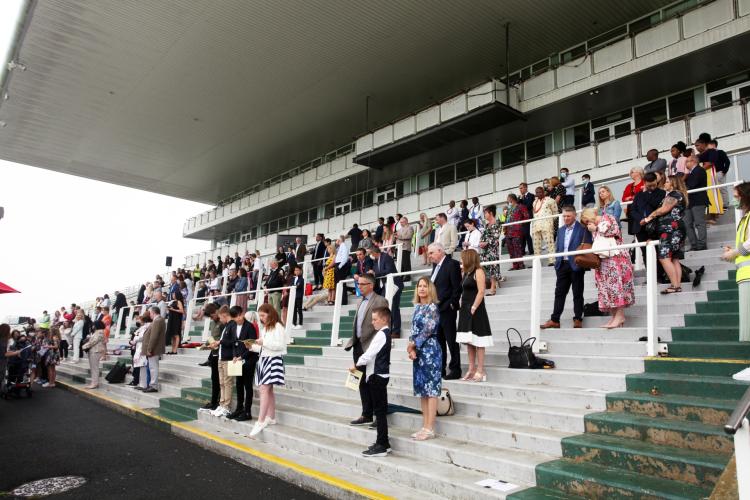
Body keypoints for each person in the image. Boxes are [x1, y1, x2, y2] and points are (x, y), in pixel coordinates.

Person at [344, 274, 388, 427]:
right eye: (358, 283)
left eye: (362, 284)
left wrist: (375, 345)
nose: (359, 286)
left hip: (372, 347)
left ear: (371, 285)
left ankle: (378, 415)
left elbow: (383, 325)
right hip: (358, 345)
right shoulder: (360, 301)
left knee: (373, 382)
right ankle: (366, 413)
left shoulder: (380, 301)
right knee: (361, 381)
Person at [581, 208, 635, 328]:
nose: (587, 224)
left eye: (586, 220)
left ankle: (620, 316)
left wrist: (597, 229)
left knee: (616, 286)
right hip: (603, 260)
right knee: (606, 288)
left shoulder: (608, 217)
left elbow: (615, 231)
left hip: (616, 258)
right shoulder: (593, 227)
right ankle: (614, 316)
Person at [349, 306, 392, 457]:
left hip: (377, 377)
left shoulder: (381, 334)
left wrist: (356, 364)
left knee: (379, 413)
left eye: (375, 319)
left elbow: (369, 354)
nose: (372, 322)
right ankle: (383, 442)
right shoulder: (384, 333)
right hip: (379, 376)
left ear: (384, 319)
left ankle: (382, 444)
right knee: (380, 412)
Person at [540, 206, 592, 329]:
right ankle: (555, 320)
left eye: (568, 216)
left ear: (574, 216)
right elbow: (558, 247)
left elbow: (588, 246)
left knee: (577, 293)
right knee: (559, 293)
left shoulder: (583, 229)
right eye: (564, 216)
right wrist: (557, 263)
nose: (565, 218)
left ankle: (578, 318)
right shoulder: (561, 230)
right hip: (562, 265)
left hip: (576, 265)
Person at [407, 277, 442, 441]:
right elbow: (413, 329)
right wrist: (411, 347)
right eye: (419, 286)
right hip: (418, 351)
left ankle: (430, 428)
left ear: (430, 289)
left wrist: (413, 345)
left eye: (424, 286)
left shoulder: (432, 307)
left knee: (431, 389)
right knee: (422, 390)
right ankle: (424, 425)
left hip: (430, 350)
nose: (421, 289)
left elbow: (428, 330)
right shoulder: (417, 307)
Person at [643, 175, 688, 294]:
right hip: (676, 228)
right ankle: (677, 285)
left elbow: (664, 209)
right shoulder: (679, 195)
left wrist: (649, 217)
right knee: (674, 258)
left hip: (670, 229)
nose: (665, 183)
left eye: (667, 181)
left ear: (673, 183)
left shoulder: (674, 194)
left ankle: (674, 285)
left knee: (664, 257)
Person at [249, 303, 288, 437]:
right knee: (267, 390)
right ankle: (270, 417)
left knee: (264, 389)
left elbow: (280, 346)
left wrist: (262, 343)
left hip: (273, 359)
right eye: (260, 316)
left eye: (263, 315)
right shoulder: (265, 328)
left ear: (270, 314)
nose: (261, 318)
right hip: (264, 359)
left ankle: (260, 420)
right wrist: (252, 346)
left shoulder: (278, 326)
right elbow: (264, 347)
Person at [456, 250, 493, 381]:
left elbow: (481, 291)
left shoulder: (479, 271)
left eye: (462, 258)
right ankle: (471, 369)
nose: (461, 260)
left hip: (476, 309)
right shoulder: (466, 273)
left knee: (479, 340)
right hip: (465, 309)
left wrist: (474, 306)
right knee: (469, 341)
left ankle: (480, 370)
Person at [428, 242, 462, 379]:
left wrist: (452, 304)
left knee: (451, 340)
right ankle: (440, 368)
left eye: (431, 253)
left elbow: (457, 287)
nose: (429, 256)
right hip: (435, 310)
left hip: (447, 309)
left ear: (440, 251)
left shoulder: (452, 264)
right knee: (439, 342)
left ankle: (455, 369)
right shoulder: (435, 266)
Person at [721, 182, 750, 342]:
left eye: (736, 197)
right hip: (744, 275)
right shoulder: (745, 218)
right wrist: (734, 253)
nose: (734, 200)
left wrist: (734, 252)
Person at [229, 305, 258, 421]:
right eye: (234, 318)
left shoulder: (250, 326)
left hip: (249, 360)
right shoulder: (233, 326)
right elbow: (233, 343)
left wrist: (242, 356)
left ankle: (247, 412)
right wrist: (235, 356)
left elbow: (252, 345)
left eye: (238, 316)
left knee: (247, 386)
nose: (237, 319)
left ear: (242, 314)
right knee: (239, 385)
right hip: (238, 360)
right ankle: (239, 409)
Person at [631, 172, 666, 266]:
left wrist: (647, 192)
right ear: (645, 183)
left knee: (659, 252)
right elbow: (633, 210)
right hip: (640, 228)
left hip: (655, 226)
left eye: (653, 185)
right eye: (649, 185)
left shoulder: (661, 193)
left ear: (656, 181)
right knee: (645, 252)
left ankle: (661, 275)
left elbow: (655, 204)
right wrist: (641, 219)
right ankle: (649, 278)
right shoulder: (639, 195)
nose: (652, 187)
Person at [368, 246, 403, 337]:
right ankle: (388, 329)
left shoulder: (386, 257)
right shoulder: (376, 260)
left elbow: (389, 270)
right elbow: (376, 273)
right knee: (385, 308)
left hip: (394, 284)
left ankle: (396, 331)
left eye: (370, 254)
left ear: (374, 252)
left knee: (394, 307)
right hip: (386, 286)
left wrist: (375, 273)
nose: (370, 256)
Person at [210, 305, 235, 417]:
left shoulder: (232, 325)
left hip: (229, 358)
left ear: (225, 315)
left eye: (220, 318)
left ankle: (227, 406)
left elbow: (233, 342)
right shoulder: (226, 326)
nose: (219, 320)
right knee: (222, 383)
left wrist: (220, 342)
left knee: (227, 383)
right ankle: (222, 404)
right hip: (222, 357)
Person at [197, 303, 223, 412]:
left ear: (216, 311)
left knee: (219, 380)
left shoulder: (223, 323)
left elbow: (224, 339)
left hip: (221, 354)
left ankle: (217, 402)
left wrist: (217, 344)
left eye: (212, 316)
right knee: (214, 379)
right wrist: (205, 344)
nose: (212, 318)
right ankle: (213, 401)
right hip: (214, 353)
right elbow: (213, 337)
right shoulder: (213, 323)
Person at [695, 134, 725, 223]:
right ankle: (708, 215)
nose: (696, 147)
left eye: (697, 145)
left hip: (709, 173)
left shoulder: (711, 151)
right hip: (702, 175)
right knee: (704, 194)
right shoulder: (698, 155)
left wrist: (699, 169)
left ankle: (713, 216)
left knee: (712, 193)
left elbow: (710, 163)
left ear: (704, 144)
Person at [683, 154, 709, 251]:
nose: (686, 163)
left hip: (698, 200)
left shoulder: (699, 170)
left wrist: (682, 187)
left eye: (687, 161)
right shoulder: (691, 173)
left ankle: (702, 244)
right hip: (689, 201)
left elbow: (692, 184)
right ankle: (694, 245)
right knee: (687, 224)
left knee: (699, 222)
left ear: (694, 161)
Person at [532, 186, 559, 266]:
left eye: (540, 192)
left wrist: (550, 222)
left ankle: (552, 260)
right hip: (536, 225)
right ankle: (537, 261)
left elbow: (555, 213)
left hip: (546, 224)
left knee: (549, 243)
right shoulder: (534, 202)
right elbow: (534, 214)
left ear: (543, 192)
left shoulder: (550, 200)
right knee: (536, 244)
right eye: (537, 192)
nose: (538, 194)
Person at [142, 306, 166, 393]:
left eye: (150, 313)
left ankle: (153, 385)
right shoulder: (158, 320)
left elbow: (154, 336)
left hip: (154, 348)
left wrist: (149, 348)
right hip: (154, 348)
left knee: (153, 367)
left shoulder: (158, 320)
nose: (149, 315)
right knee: (152, 367)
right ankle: (152, 385)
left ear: (153, 312)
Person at [479, 205, 502, 295]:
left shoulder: (497, 223)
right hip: (485, 250)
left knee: (493, 267)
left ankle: (493, 287)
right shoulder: (486, 224)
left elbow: (496, 237)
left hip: (492, 249)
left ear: (490, 213)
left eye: (485, 213)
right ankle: (485, 285)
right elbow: (483, 236)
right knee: (484, 267)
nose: (484, 215)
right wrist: (481, 242)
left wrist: (487, 243)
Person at [505, 194, 529, 270]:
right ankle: (515, 265)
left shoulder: (521, 206)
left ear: (511, 199)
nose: (507, 200)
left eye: (508, 198)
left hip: (517, 231)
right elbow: (506, 220)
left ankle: (521, 265)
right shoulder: (509, 209)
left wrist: (520, 224)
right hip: (508, 232)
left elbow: (527, 216)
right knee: (511, 250)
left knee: (517, 249)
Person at [622, 166, 646, 247]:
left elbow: (644, 195)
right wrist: (631, 198)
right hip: (632, 210)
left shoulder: (645, 182)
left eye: (632, 172)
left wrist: (632, 197)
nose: (630, 174)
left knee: (642, 230)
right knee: (635, 231)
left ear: (638, 173)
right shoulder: (629, 185)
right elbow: (623, 198)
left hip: (642, 210)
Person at [82, 320, 106, 389]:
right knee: (93, 368)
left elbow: (94, 341)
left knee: (94, 368)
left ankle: (94, 383)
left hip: (96, 351)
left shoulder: (100, 332)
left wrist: (84, 346)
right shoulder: (98, 332)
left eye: (93, 325)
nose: (92, 326)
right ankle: (94, 382)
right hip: (94, 351)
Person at [130, 314, 152, 389]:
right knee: (141, 366)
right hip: (140, 347)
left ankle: (144, 385)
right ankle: (142, 384)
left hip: (143, 347)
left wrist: (135, 338)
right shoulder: (144, 326)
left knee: (143, 366)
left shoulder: (148, 326)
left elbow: (141, 336)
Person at [710, 138, 731, 210]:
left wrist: (724, 171)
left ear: (714, 145)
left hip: (719, 173)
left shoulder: (720, 152)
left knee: (722, 189)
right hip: (711, 174)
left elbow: (727, 162)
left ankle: (725, 205)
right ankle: (717, 205)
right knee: (713, 190)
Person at [334, 235, 351, 305]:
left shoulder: (343, 246)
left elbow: (344, 258)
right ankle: (340, 299)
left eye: (337, 239)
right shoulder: (340, 246)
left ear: (340, 240)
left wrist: (339, 267)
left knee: (341, 283)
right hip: (338, 265)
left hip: (341, 266)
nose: (336, 241)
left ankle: (343, 301)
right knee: (338, 283)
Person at [519, 182, 535, 255]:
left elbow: (529, 205)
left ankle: (530, 250)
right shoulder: (520, 197)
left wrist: (522, 200)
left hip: (528, 217)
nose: (520, 190)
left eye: (521, 188)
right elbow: (518, 207)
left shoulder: (531, 195)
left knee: (526, 233)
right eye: (519, 188)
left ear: (526, 188)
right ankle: (523, 251)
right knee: (523, 234)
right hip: (521, 218)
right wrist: (520, 199)